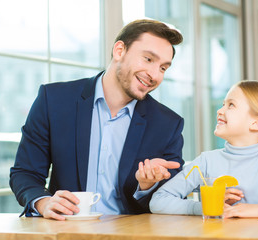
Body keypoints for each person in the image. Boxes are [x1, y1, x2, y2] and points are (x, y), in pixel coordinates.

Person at [10, 19, 185, 220]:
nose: (155, 75)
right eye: (148, 59)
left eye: (163, 68)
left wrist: (146, 186)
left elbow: (170, 197)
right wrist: (43, 202)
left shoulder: (168, 124)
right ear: (119, 50)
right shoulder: (54, 100)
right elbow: (25, 173)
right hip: (66, 231)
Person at [150, 80, 258, 218]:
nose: (220, 111)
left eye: (231, 105)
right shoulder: (206, 161)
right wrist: (204, 207)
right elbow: (159, 201)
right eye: (223, 104)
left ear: (257, 122)